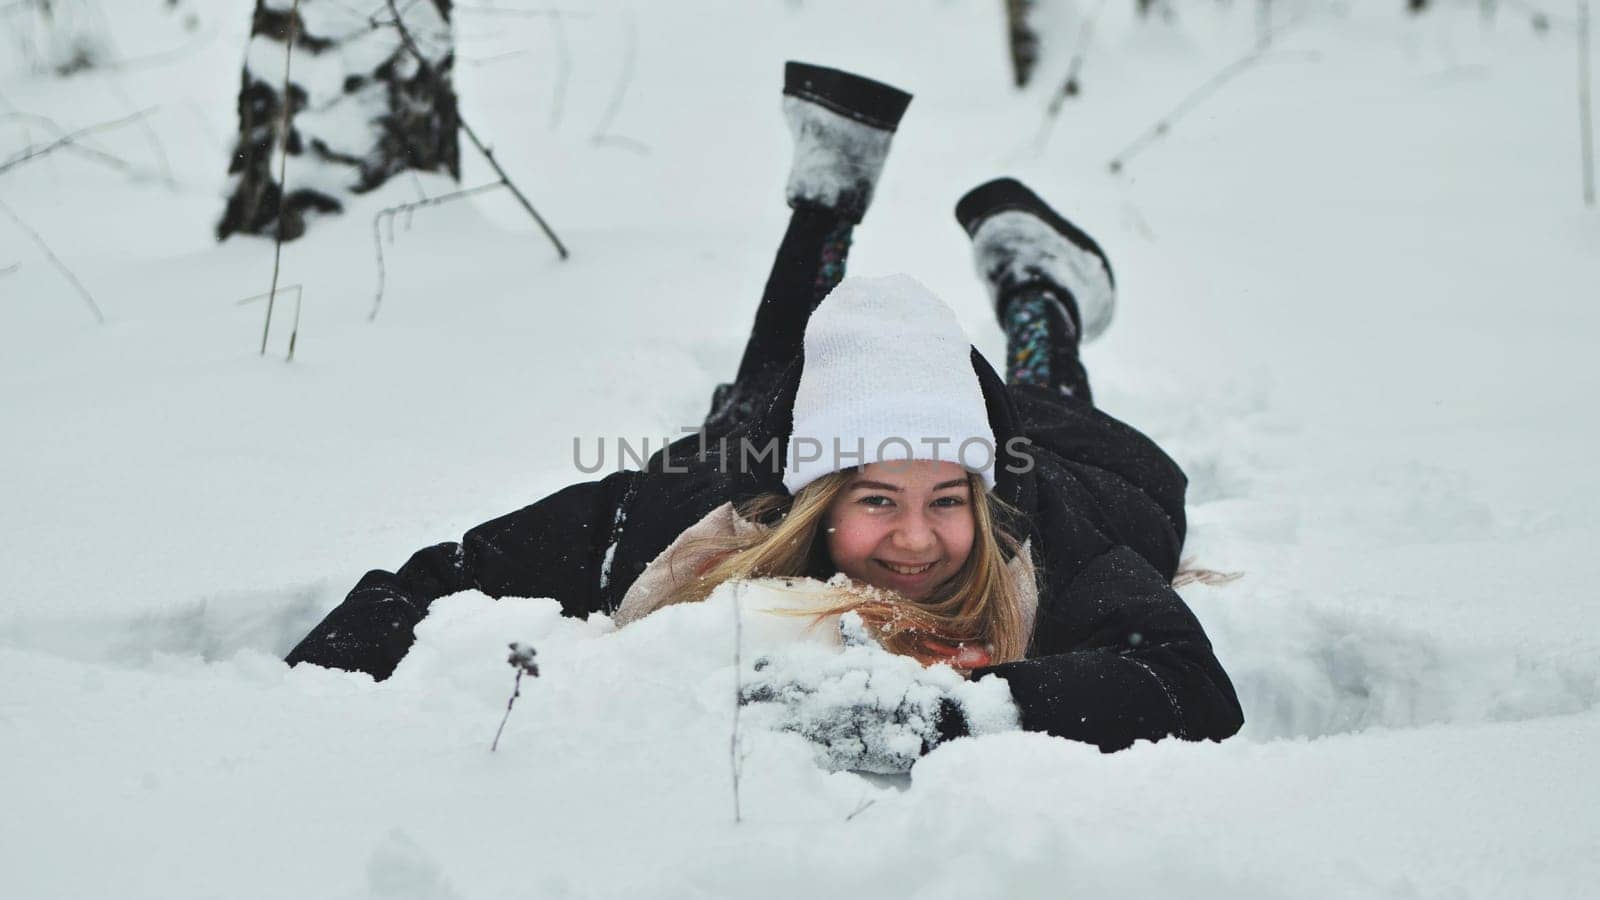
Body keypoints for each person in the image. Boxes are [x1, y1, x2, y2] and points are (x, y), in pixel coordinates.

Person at [286, 62, 1244, 769]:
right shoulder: (681, 514)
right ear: (820, 499)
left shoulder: (1050, 535)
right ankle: (824, 202)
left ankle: (1037, 285)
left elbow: (1190, 690)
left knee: (1048, 401)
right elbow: (441, 580)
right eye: (876, 499)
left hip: (1063, 446)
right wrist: (306, 694)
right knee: (760, 401)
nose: (917, 538)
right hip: (766, 446)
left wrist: (953, 712)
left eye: (945, 498)